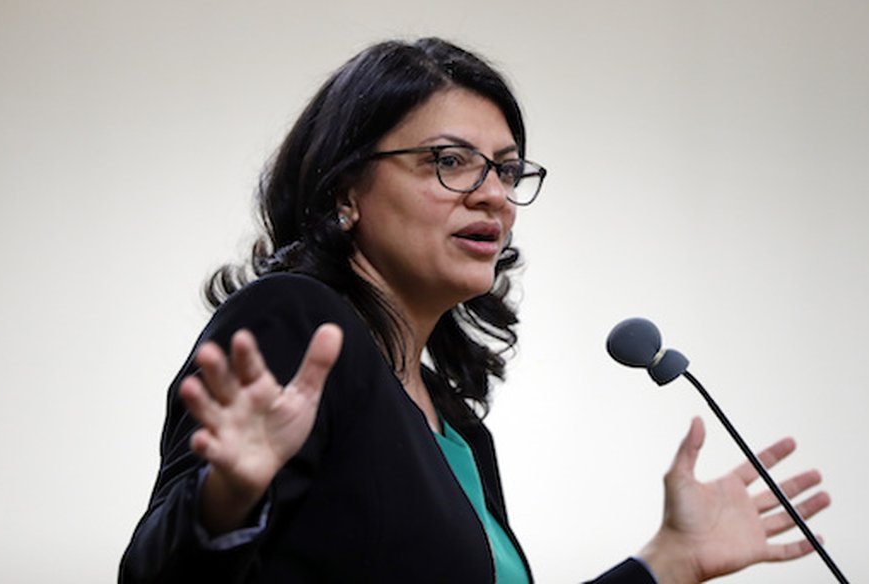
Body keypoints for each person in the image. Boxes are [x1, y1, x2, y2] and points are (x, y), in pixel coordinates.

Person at [120, 38, 831, 583]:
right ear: (346, 192)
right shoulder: (299, 324)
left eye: (508, 169)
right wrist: (225, 501)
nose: (493, 193)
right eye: (450, 161)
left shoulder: (455, 425)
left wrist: (665, 562)